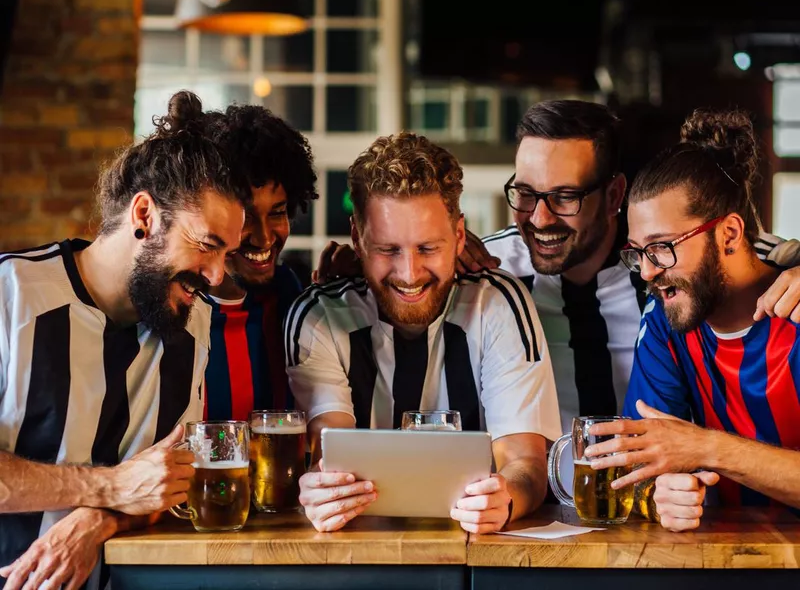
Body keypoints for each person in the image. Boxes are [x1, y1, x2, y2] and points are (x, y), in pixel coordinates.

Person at [316, 100, 800, 433]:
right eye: (525, 194)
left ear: (614, 196)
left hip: (654, 505)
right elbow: (407, 270)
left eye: (564, 197)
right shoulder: (489, 265)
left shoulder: (664, 264)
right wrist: (360, 265)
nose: (540, 217)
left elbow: (754, 255)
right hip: (525, 511)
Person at [0, 91, 249, 590]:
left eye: (229, 254)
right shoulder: (10, 296)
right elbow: (131, 484)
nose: (218, 275)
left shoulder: (191, 322)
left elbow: (166, 483)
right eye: (207, 246)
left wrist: (100, 518)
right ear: (144, 216)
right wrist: (110, 487)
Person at [287, 132, 561, 534]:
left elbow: (525, 463)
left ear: (460, 236)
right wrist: (325, 492)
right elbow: (331, 452)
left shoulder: (498, 303)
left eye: (428, 248)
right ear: (358, 238)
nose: (410, 274)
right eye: (388, 250)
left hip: (476, 549)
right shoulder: (320, 315)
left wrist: (505, 500)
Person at [582, 109, 800, 532]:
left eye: (662, 247)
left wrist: (705, 448)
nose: (646, 271)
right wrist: (659, 495)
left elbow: (689, 446)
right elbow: (638, 467)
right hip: (725, 564)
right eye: (638, 252)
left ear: (730, 235)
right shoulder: (667, 323)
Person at [202, 105, 318, 420]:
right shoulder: (175, 309)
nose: (265, 238)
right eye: (246, 217)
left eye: (277, 212)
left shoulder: (290, 295)